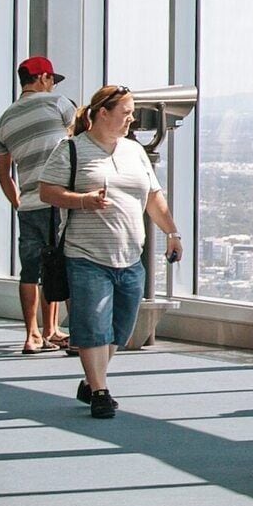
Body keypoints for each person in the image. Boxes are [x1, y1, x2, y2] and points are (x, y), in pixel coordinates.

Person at [38, 86, 180, 419]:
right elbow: (47, 192)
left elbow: (153, 197)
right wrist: (82, 201)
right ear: (103, 113)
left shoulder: (135, 152)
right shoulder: (72, 149)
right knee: (92, 326)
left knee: (120, 328)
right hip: (85, 253)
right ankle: (100, 391)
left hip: (130, 255)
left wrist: (171, 232)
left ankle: (91, 381)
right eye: (126, 112)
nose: (132, 118)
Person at [0, 56, 76, 354]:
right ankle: (53, 330)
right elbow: (76, 140)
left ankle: (33, 334)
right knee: (56, 264)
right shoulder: (58, 104)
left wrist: (18, 201)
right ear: (42, 78)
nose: (52, 85)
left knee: (30, 270)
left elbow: (2, 172)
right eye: (50, 79)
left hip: (28, 204)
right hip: (56, 200)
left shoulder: (5, 120)